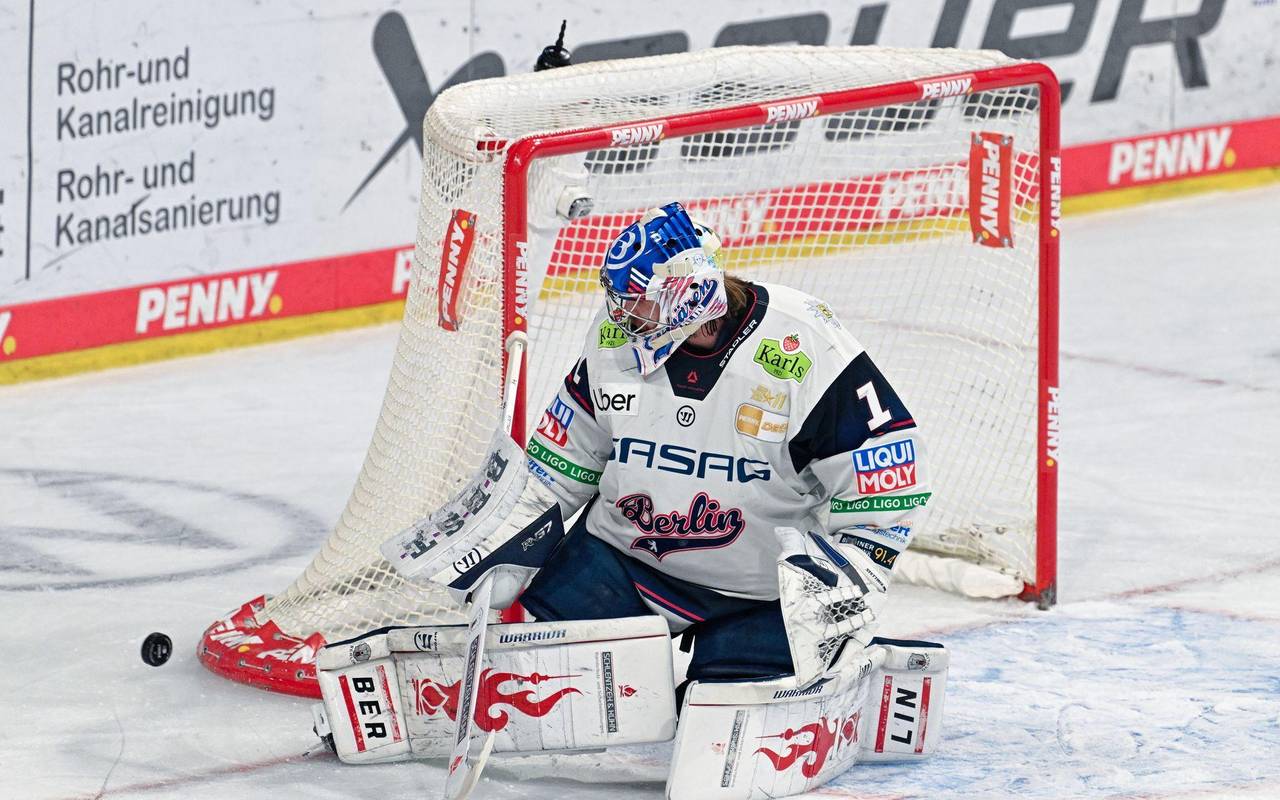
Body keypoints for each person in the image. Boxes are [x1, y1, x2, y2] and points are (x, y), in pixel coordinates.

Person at [513, 201, 932, 694]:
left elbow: (887, 471)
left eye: (638, 304)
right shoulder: (613, 340)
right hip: (622, 561)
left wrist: (849, 575)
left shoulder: (805, 343)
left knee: (718, 719)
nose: (622, 316)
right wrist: (506, 536)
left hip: (760, 592)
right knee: (544, 676)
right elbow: (564, 459)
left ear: (687, 298)